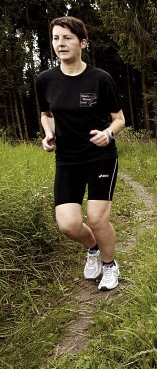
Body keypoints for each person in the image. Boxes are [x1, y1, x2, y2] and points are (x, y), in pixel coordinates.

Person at [36, 16, 125, 291]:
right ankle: (93, 248)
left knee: (97, 218)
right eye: (56, 38)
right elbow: (46, 114)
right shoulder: (45, 80)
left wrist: (108, 134)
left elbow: (119, 119)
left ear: (82, 42)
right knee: (69, 225)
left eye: (67, 38)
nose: (60, 44)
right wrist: (48, 134)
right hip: (67, 159)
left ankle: (110, 266)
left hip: (100, 156)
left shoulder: (100, 79)